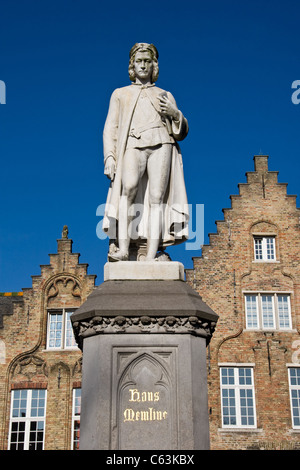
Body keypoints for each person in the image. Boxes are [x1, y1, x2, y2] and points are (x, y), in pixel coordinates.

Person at [102, 43, 189, 261]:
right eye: (139, 61)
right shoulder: (120, 94)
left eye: (147, 61)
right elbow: (110, 128)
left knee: (157, 197)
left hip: (162, 143)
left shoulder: (164, 94)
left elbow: (181, 132)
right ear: (132, 65)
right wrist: (110, 157)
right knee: (128, 189)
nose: (143, 65)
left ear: (153, 65)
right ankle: (123, 249)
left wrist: (175, 113)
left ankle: (151, 255)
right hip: (132, 143)